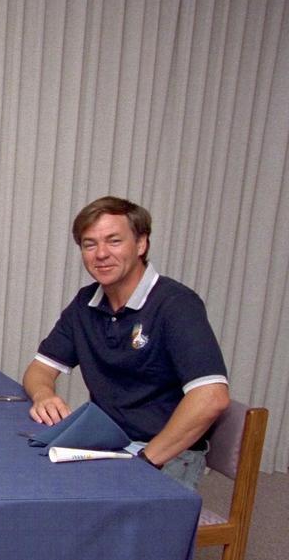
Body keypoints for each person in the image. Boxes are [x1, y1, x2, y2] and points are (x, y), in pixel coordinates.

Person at [23, 196, 230, 488]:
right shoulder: (85, 303)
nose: (101, 254)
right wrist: (44, 395)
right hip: (106, 444)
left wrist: (147, 460)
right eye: (89, 244)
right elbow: (39, 369)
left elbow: (212, 397)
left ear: (141, 244)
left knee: (83, 518)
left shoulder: (176, 304)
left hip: (163, 452)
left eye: (114, 241)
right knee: (31, 483)